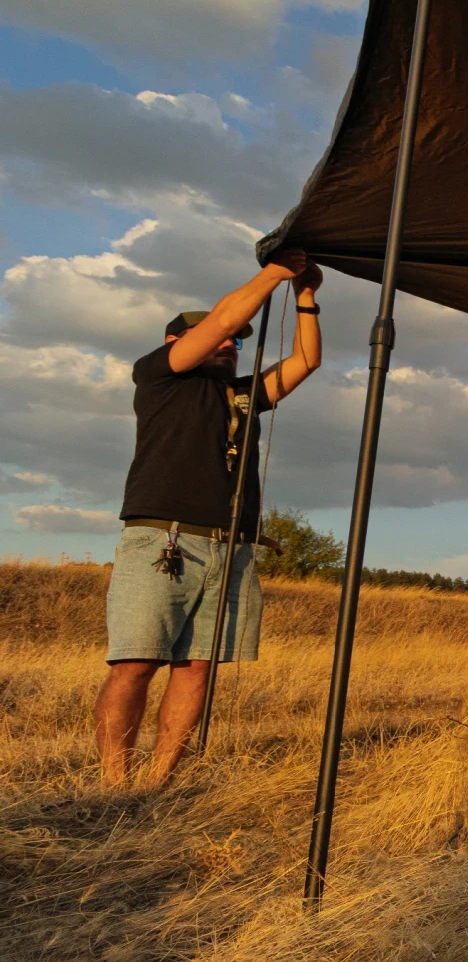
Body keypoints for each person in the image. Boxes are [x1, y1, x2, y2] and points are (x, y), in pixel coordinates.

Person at [94, 249, 324, 788]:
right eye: (220, 339)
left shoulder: (242, 395)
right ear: (175, 341)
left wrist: (306, 295)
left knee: (197, 666)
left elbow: (306, 362)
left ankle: (159, 781)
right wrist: (276, 272)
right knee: (136, 663)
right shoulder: (158, 375)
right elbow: (221, 319)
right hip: (162, 540)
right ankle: (113, 785)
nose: (228, 344)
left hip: (231, 548)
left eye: (237, 342)